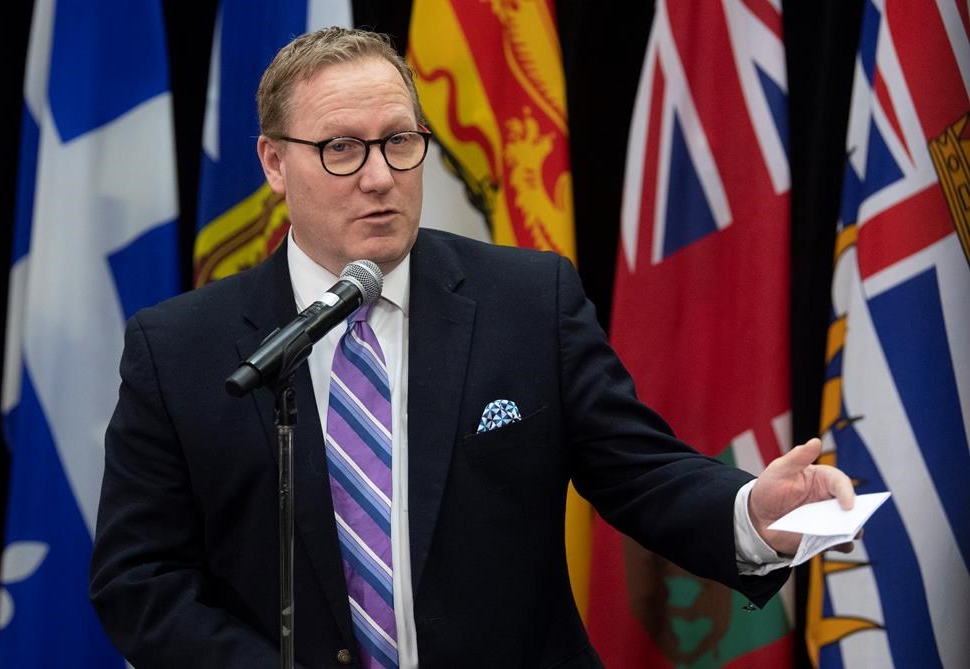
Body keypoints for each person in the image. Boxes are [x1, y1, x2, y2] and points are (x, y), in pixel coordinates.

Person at [89, 26, 854, 669]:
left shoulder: (528, 301)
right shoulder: (179, 348)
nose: (381, 177)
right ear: (273, 163)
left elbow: (640, 471)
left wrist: (752, 510)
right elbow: (139, 578)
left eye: (400, 142)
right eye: (342, 151)